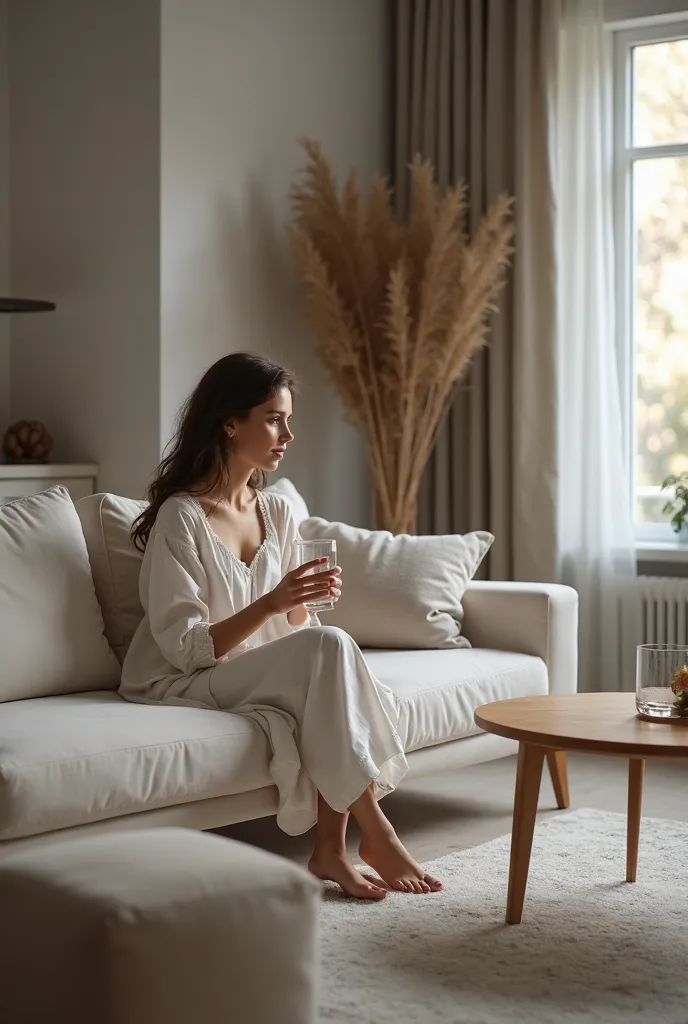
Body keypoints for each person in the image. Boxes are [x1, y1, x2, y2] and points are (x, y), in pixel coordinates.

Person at [121, 352, 442, 900]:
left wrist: (301, 602)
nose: (287, 434)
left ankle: (332, 849)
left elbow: (295, 629)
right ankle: (376, 833)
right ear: (230, 423)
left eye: (288, 419)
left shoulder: (278, 511)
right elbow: (186, 648)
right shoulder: (182, 515)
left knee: (326, 651)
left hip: (256, 666)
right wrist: (274, 604)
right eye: (273, 418)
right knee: (329, 651)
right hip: (185, 676)